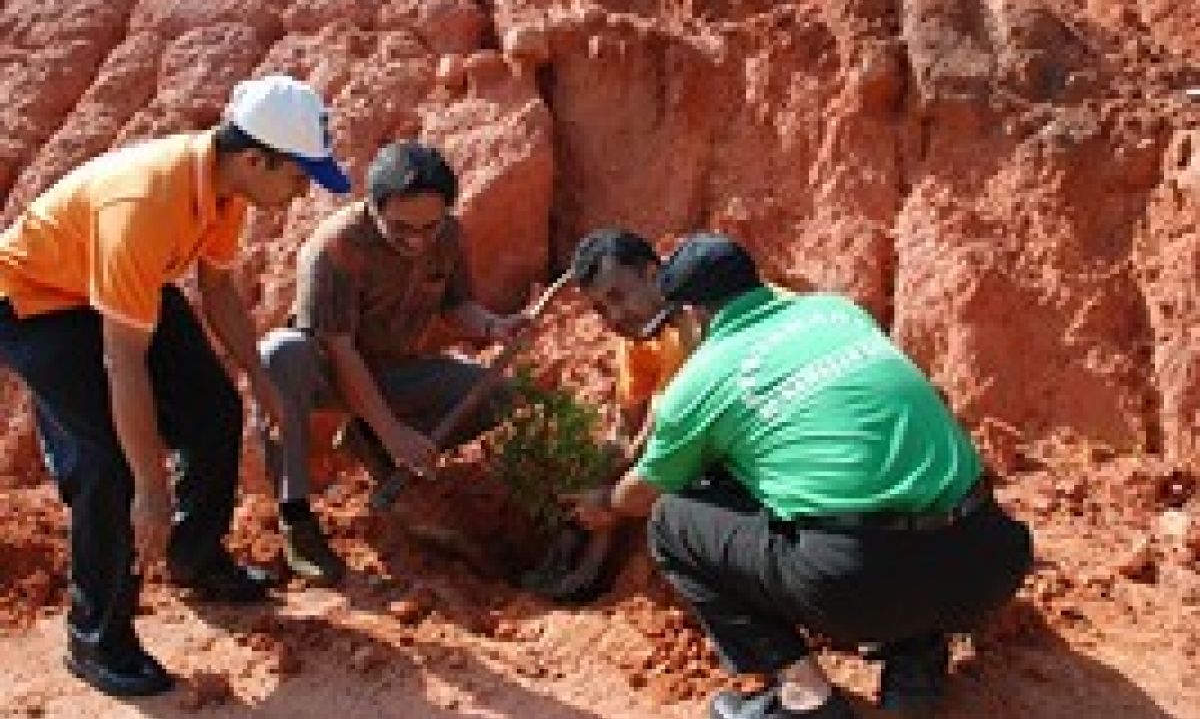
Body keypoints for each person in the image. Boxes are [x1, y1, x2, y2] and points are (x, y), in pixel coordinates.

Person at [567, 234, 1033, 718]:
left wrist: (604, 505)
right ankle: (916, 661)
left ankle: (805, 695)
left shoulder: (702, 376)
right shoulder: (836, 311)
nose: (615, 317)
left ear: (694, 314)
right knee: (857, 475)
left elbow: (644, 493)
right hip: (992, 562)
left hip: (860, 581)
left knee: (673, 520)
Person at [0, 75, 351, 696]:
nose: (299, 194)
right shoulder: (144, 205)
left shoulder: (226, 190)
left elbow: (217, 292)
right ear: (253, 158)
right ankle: (96, 637)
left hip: (110, 287)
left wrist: (264, 384)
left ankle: (195, 560)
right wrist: (151, 487)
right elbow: (122, 362)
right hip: (37, 300)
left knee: (215, 410)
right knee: (109, 463)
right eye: (297, 178)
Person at [257, 140, 527, 585]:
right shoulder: (334, 248)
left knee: (497, 394)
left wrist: (493, 327)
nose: (417, 241)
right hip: (325, 374)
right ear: (373, 206)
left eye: (429, 228)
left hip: (393, 370)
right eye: (402, 229)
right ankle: (296, 517)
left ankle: (368, 441)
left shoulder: (449, 237)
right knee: (281, 354)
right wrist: (393, 430)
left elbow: (457, 304)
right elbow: (340, 350)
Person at [524, 228, 700, 600]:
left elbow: (660, 434)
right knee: (608, 455)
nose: (614, 316)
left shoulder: (695, 318)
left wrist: (607, 503)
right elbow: (628, 428)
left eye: (618, 296)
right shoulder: (637, 335)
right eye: (601, 308)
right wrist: (592, 493)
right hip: (674, 437)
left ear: (651, 273)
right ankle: (571, 559)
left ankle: (591, 571)